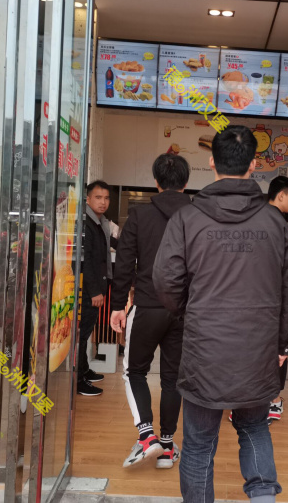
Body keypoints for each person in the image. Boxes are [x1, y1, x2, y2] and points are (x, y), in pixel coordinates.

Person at [153, 125, 288, 503]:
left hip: (205, 349)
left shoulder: (187, 219)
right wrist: (283, 344)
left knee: (199, 444)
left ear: (212, 162)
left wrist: (192, 313)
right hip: (258, 349)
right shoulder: (275, 223)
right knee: (254, 429)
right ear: (253, 165)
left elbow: (165, 282)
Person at [110, 153, 192, 469]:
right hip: (185, 311)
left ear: (156, 182)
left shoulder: (139, 216)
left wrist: (118, 305)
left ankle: (147, 436)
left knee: (134, 371)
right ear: (186, 182)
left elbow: (124, 263)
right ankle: (167, 446)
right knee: (173, 378)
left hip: (146, 306)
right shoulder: (198, 215)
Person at [78, 180, 117, 396]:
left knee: (85, 333)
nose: (103, 202)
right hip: (87, 290)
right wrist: (94, 291)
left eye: (106, 198)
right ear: (88, 199)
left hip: (94, 287)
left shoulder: (99, 222)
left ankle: (83, 370)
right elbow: (85, 260)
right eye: (98, 197)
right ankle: (78, 381)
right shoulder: (86, 223)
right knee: (81, 335)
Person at [265, 175, 288, 423]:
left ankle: (268, 400)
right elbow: (286, 272)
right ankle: (274, 400)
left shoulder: (257, 216)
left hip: (260, 297)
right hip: (274, 297)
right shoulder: (277, 222)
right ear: (281, 195)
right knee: (278, 346)